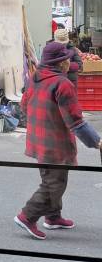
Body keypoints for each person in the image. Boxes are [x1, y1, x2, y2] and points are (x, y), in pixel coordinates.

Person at [14, 41, 102, 240]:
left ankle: (53, 217)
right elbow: (76, 121)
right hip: (55, 144)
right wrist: (97, 141)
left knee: (51, 179)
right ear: (61, 63)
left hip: (38, 141)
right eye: (67, 59)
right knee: (54, 184)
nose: (69, 62)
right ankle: (27, 216)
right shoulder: (63, 84)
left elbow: (24, 106)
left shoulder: (35, 78)